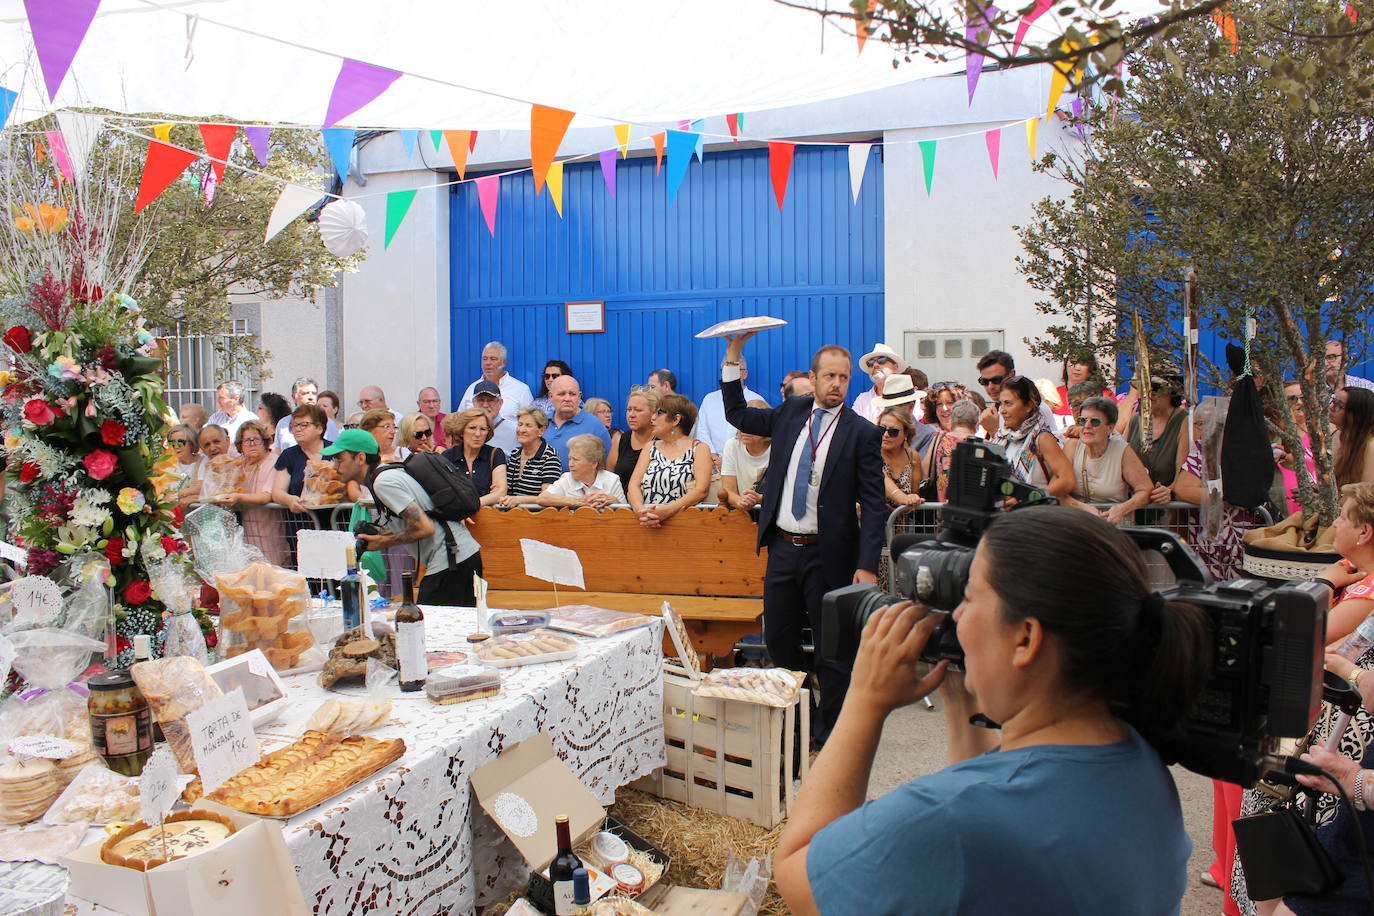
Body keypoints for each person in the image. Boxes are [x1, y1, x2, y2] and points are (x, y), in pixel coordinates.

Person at [774, 506, 1209, 916]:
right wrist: (962, 694)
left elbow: (798, 874)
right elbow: (996, 806)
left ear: (1026, 639)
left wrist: (865, 701)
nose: (956, 616)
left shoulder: (947, 822)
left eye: (971, 596)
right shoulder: (1142, 764)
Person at [720, 331, 886, 745]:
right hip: (783, 549)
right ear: (812, 378)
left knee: (833, 650)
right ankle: (797, 720)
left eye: (844, 378)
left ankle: (831, 734)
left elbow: (875, 504)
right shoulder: (791, 412)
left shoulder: (863, 433)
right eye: (829, 376)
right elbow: (738, 414)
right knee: (779, 641)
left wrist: (867, 565)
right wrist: (733, 355)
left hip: (829, 555)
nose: (836, 384)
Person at [327, 429, 483, 607]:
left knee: (429, 628)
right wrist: (381, 535)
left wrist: (382, 542)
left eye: (340, 459)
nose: (335, 466)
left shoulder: (383, 483)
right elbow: (421, 522)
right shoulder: (385, 475)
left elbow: (425, 528)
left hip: (452, 561)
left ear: (360, 458)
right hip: (457, 558)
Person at [1061, 395, 1152, 525]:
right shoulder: (1072, 446)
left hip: (1114, 527)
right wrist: (1081, 507)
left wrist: (1122, 509)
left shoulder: (1122, 450)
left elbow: (1146, 489)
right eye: (1082, 420)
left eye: (1095, 422)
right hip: (1077, 525)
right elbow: (1057, 491)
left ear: (1110, 427)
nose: (1087, 426)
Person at [627, 393, 712, 528]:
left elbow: (701, 490)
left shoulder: (699, 449)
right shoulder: (650, 447)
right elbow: (633, 485)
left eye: (659, 413)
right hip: (648, 525)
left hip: (686, 527)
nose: (652, 418)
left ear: (676, 420)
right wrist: (640, 511)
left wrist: (667, 511)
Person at [213, 420, 287, 566]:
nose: (251, 444)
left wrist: (238, 497)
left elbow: (267, 496)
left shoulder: (274, 462)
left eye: (256, 439)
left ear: (265, 441)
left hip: (270, 527)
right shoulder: (238, 464)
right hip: (247, 528)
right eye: (247, 440)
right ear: (240, 445)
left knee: (272, 568)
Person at [991, 375, 1075, 499]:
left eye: (1008, 404)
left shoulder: (1042, 437)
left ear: (1029, 406)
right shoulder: (1002, 437)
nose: (1002, 410)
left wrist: (1029, 497)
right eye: (1001, 404)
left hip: (1032, 513)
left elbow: (1068, 480)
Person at [1125, 374, 1191, 505]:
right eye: (1144, 388)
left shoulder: (1185, 421)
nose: (1149, 394)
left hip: (1168, 510)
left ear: (1171, 393)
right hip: (1135, 504)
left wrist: (1170, 491)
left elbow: (1183, 473)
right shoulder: (1135, 420)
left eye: (1155, 389)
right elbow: (1121, 460)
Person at [693, 356, 767, 468]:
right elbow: (702, 429)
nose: (729, 375)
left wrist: (729, 460)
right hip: (712, 463)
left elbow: (759, 437)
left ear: (745, 374)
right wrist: (711, 454)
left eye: (734, 371)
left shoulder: (757, 401)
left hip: (744, 464)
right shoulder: (709, 399)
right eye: (725, 371)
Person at [975, 350, 1056, 436]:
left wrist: (995, 431)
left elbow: (1026, 446)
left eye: (996, 380)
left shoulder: (1036, 408)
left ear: (1011, 374)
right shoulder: (997, 408)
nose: (990, 387)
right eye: (984, 381)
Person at [270, 405, 331, 514]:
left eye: (304, 425)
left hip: (335, 521)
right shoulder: (288, 455)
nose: (297, 429)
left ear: (319, 428)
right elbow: (277, 492)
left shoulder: (336, 452)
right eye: (294, 425)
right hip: (300, 521)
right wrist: (289, 500)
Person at [538, 434, 626, 508]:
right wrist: (577, 501)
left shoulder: (612, 480)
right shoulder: (567, 478)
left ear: (594, 463)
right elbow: (542, 498)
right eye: (570, 459)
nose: (570, 464)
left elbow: (626, 513)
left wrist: (615, 502)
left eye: (576, 460)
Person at [498, 406, 564, 506]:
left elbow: (548, 497)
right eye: (520, 424)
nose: (522, 430)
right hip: (511, 514)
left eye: (528, 426)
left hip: (537, 516)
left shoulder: (550, 457)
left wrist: (519, 500)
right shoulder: (515, 454)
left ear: (541, 430)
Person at [442, 408, 508, 506]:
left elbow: (501, 492)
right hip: (457, 517)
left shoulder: (495, 454)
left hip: (488, 516)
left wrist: (472, 506)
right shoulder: (447, 456)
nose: (478, 434)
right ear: (461, 431)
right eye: (472, 428)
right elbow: (444, 492)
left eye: (483, 429)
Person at [544, 375, 612, 469]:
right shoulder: (541, 423)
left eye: (572, 394)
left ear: (579, 397)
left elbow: (607, 465)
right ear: (551, 396)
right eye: (561, 394)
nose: (567, 398)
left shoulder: (595, 426)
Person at [457, 341, 533, 425]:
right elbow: (459, 420)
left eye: (493, 359)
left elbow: (531, 422)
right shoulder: (472, 388)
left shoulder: (521, 390)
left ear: (504, 362)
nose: (488, 363)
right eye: (485, 359)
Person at [925, 399, 981, 501]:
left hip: (943, 511)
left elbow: (925, 473)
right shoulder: (985, 446)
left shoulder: (939, 439)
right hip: (975, 512)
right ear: (976, 424)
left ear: (952, 419)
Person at [719, 401, 771, 511]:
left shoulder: (779, 446)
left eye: (752, 423)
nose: (745, 428)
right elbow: (728, 490)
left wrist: (761, 499)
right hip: (743, 512)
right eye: (742, 422)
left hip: (772, 513)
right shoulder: (732, 445)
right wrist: (740, 501)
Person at [613, 387, 658, 495]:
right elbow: (610, 478)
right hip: (623, 506)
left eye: (638, 410)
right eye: (629, 409)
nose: (631, 415)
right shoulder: (621, 440)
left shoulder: (662, 441)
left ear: (653, 413)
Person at [274, 377, 341, 450]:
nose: (311, 397)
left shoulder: (328, 423)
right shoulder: (283, 424)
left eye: (314, 393)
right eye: (305, 393)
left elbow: (334, 451)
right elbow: (278, 451)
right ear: (294, 397)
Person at [872, 375, 934, 452]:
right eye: (887, 407)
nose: (891, 412)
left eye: (897, 407)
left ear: (911, 406)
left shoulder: (927, 435)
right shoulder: (876, 432)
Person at [878, 407, 924, 508]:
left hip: (903, 521)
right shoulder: (872, 452)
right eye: (882, 429)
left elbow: (915, 494)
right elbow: (881, 477)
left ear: (906, 434)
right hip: (875, 521)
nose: (886, 435)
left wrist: (912, 501)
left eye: (893, 431)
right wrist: (902, 497)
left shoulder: (912, 456)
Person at [852, 343, 907, 423]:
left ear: (895, 367)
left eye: (882, 360)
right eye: (870, 362)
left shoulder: (910, 397)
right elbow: (854, 428)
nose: (875, 364)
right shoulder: (862, 399)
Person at [1332, 387, 1374, 488]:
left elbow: (1363, 494)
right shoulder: (1336, 436)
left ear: (1356, 415)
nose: (1332, 408)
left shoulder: (1371, 446)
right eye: (1333, 402)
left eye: (1340, 406)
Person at [471, 379, 517, 457]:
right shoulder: (466, 430)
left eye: (490, 400)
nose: (485, 405)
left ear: (500, 403)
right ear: (473, 402)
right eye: (481, 400)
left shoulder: (516, 430)